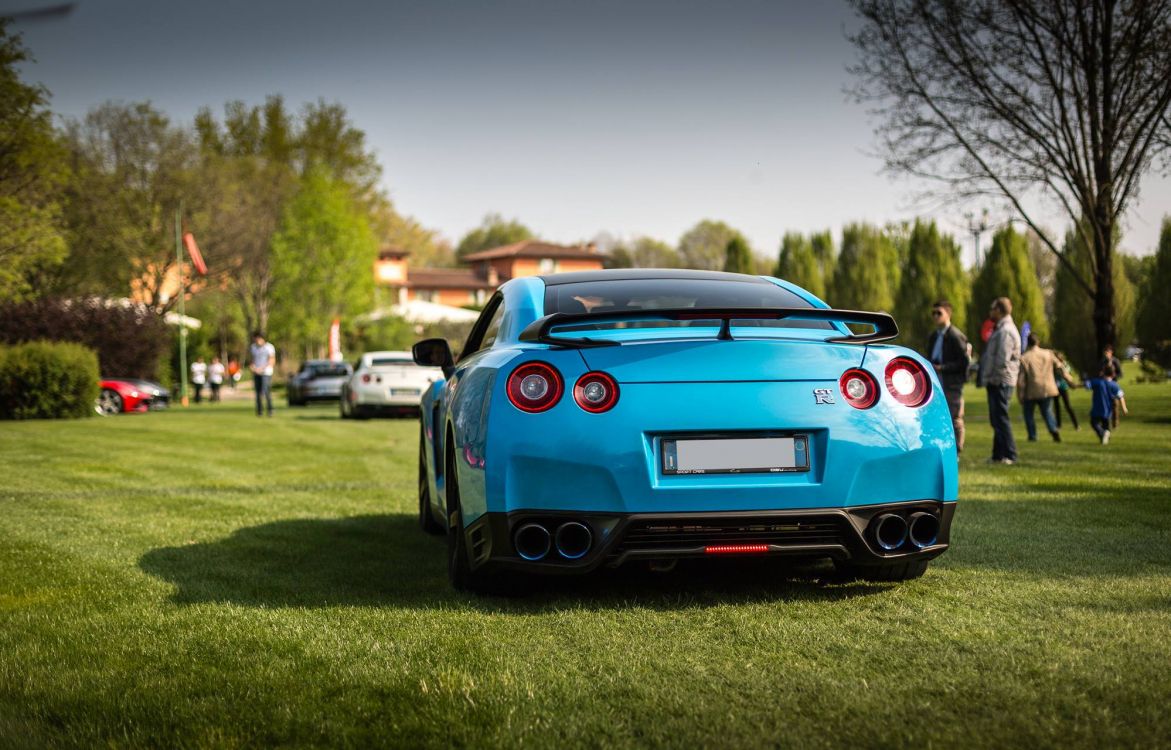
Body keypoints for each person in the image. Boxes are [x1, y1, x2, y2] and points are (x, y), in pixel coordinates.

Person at [979, 297, 1021, 464]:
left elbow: (1002, 359)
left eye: (992, 309)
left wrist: (993, 378)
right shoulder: (1001, 328)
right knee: (996, 419)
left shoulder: (1006, 331)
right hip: (997, 380)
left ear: (999, 310)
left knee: (1001, 418)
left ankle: (1011, 454)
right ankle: (997, 455)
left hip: (1001, 380)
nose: (990, 312)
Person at [925, 300, 970, 453]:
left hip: (952, 384)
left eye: (939, 313)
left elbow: (964, 362)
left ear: (948, 314)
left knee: (955, 417)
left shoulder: (956, 336)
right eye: (933, 313)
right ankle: (941, 448)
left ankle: (956, 451)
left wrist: (943, 368)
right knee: (937, 417)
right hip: (936, 382)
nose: (935, 316)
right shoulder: (933, 336)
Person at [1016, 334, 1061, 442]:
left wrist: (1020, 394)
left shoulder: (1024, 357)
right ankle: (1053, 429)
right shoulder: (1048, 353)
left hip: (1031, 391)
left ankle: (1032, 435)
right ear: (1038, 342)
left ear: (1028, 343)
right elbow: (1060, 367)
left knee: (1028, 414)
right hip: (1047, 389)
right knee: (1047, 412)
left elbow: (1021, 380)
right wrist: (1070, 381)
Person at [1084, 364, 1128, 445]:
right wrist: (1124, 408)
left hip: (1097, 409)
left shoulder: (1097, 382)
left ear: (1103, 372)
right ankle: (1105, 436)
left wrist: (1086, 379)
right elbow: (1121, 396)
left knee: (1094, 423)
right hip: (1108, 410)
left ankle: (1102, 434)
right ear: (1113, 374)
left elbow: (1087, 385)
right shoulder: (1114, 385)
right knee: (1106, 426)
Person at [249, 332, 276, 417]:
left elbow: (272, 360)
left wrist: (261, 368)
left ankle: (270, 409)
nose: (256, 341)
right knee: (258, 392)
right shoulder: (253, 347)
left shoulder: (269, 347)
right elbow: (252, 360)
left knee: (266, 391)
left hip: (266, 372)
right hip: (256, 372)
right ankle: (259, 411)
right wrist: (253, 367)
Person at [1052, 352, 1079, 431]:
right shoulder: (1053, 366)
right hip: (1056, 388)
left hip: (1063, 387)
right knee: (1057, 407)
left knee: (1068, 406)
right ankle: (1058, 425)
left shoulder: (1065, 365)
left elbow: (1067, 375)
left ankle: (1076, 425)